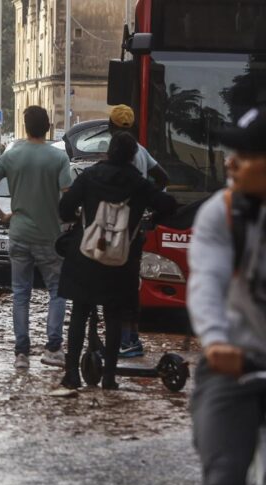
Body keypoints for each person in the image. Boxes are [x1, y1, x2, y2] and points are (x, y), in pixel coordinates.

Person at [57, 132, 176, 389]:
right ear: (134, 156)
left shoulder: (89, 176)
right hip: (121, 261)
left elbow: (64, 207)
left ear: (108, 151)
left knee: (79, 312)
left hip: (85, 257)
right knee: (114, 315)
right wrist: (146, 220)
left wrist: (80, 217)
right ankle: (109, 378)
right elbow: (168, 204)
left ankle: (72, 375)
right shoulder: (138, 184)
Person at [188, 107, 266, 485]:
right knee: (223, 480)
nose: (231, 163)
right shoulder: (221, 213)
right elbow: (206, 280)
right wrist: (215, 340)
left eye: (247, 154)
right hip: (235, 362)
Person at [0, 106, 72, 369]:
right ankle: (53, 348)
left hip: (17, 232)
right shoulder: (58, 158)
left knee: (20, 293)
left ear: (25, 127)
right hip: (49, 235)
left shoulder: (12, 155)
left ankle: (21, 354)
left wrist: (2, 215)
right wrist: (67, 219)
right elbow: (69, 193)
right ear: (49, 127)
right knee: (57, 290)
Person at [108, 105, 172, 358]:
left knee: (116, 286)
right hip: (136, 230)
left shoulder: (120, 156)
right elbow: (163, 177)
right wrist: (150, 206)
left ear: (110, 127)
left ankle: (123, 340)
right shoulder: (142, 152)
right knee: (130, 284)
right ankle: (130, 338)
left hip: (117, 230)